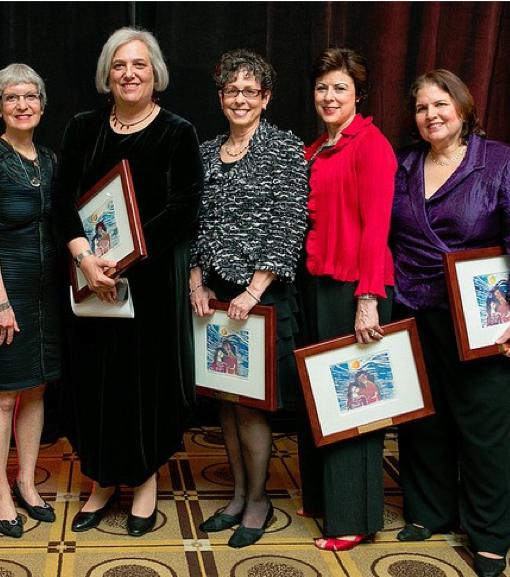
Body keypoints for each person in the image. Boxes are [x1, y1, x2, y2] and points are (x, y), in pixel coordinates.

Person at [389, 69, 510, 577]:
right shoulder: (404, 164)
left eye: (441, 104)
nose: (431, 115)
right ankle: (431, 511)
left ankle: (489, 534)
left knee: (484, 427)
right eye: (421, 108)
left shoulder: (503, 162)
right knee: (425, 420)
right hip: (414, 307)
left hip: (483, 319)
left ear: (463, 108)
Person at [52, 26, 205, 537]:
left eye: (139, 64)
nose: (129, 73)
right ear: (107, 74)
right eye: (120, 65)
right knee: (95, 382)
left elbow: (183, 207)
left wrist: (123, 261)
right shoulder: (82, 128)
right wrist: (84, 258)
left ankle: (143, 482)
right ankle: (100, 481)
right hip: (88, 280)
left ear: (154, 72)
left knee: (143, 386)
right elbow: (62, 199)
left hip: (152, 283)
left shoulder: (178, 132)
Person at [189, 49, 307, 548]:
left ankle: (258, 502)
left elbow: (289, 224)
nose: (240, 98)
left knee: (253, 406)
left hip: (260, 295)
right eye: (231, 90)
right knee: (224, 398)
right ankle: (237, 495)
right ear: (221, 98)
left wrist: (254, 290)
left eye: (250, 91)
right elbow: (192, 223)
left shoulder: (284, 148)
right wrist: (196, 281)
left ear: (265, 98)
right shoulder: (205, 151)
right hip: (213, 296)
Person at [294, 46, 397, 551]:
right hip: (319, 286)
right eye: (322, 87)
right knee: (320, 399)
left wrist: (369, 299)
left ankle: (354, 516)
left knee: (354, 403)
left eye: (340, 88)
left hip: (358, 287)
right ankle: (323, 499)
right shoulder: (318, 147)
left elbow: (378, 228)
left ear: (358, 93)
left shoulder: (370, 144)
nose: (329, 96)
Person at [0, 63, 62, 538]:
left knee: (38, 388)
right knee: (3, 394)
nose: (22, 105)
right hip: (9, 291)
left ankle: (27, 480)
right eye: (12, 97)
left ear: (42, 104)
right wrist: (0, 303)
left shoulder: (49, 158)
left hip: (49, 295)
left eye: (31, 96)